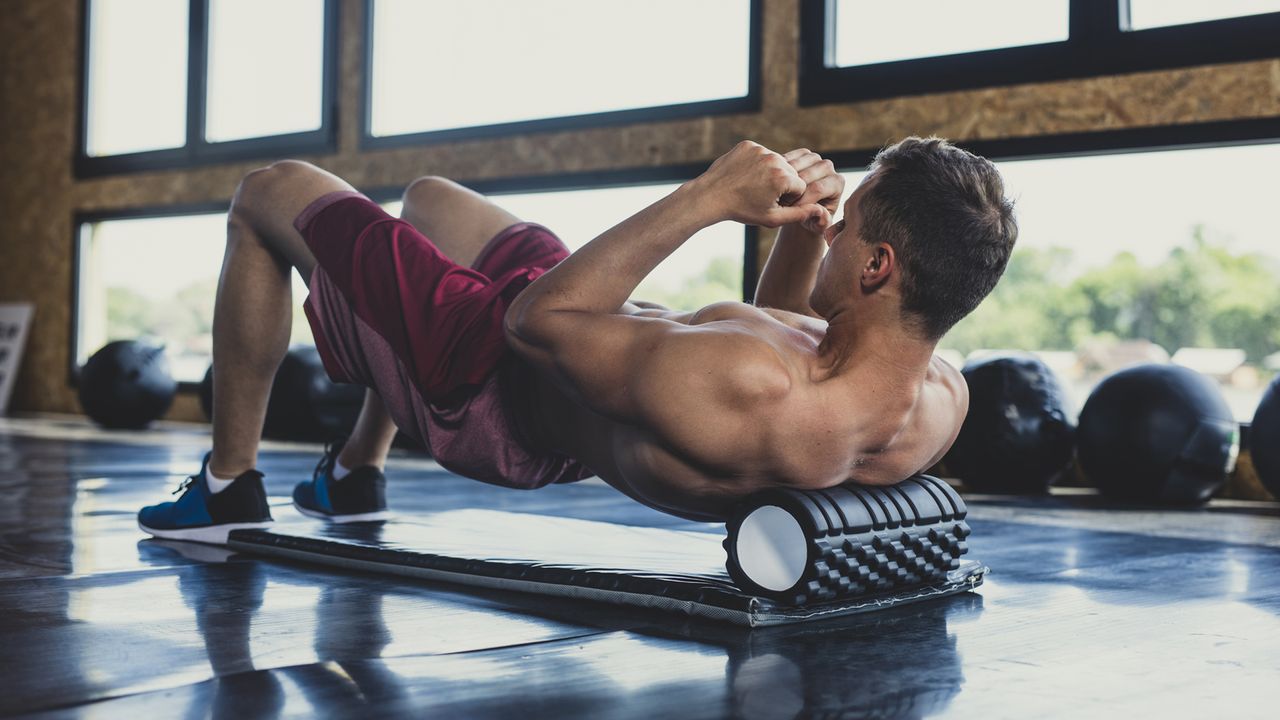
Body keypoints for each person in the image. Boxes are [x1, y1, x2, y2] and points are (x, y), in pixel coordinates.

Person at [138, 137, 1017, 542]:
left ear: (877, 268)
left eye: (847, 226)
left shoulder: (750, 385)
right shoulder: (934, 396)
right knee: (434, 196)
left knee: (268, 189)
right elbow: (787, 325)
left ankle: (225, 485)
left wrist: (710, 194)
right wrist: (795, 229)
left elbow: (537, 324)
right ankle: (354, 473)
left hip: (484, 374)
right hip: (584, 357)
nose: (834, 230)